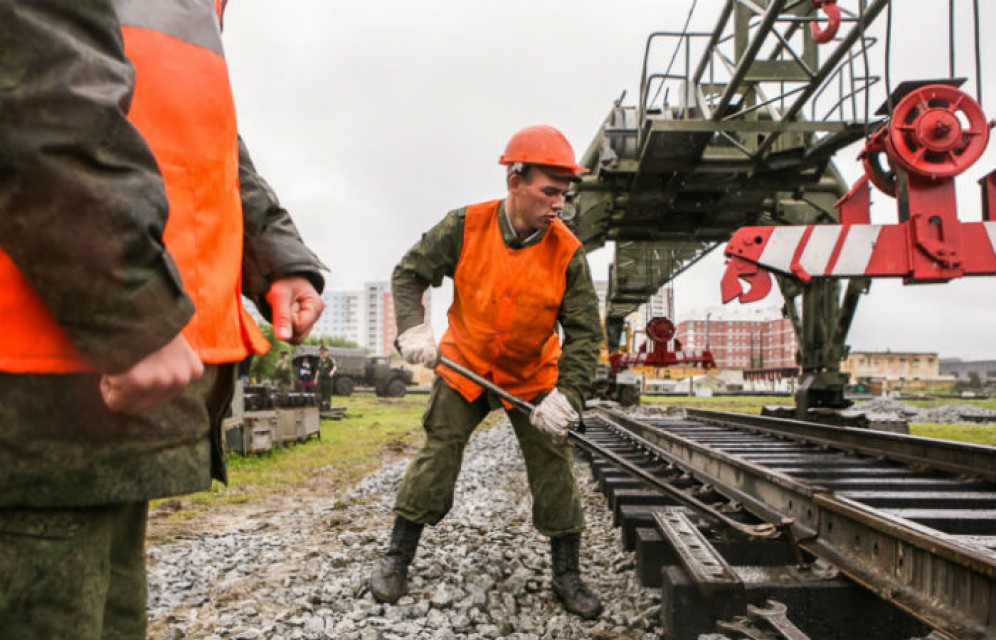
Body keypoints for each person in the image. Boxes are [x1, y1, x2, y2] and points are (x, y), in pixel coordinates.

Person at [0, 2, 325, 639]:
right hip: (41, 371)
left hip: (113, 373)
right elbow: (38, 96)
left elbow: (197, 131)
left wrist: (277, 258)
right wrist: (128, 305)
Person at [369, 125, 604, 618]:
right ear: (514, 181)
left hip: (532, 377)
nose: (558, 204)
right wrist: (413, 328)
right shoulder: (465, 226)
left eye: (563, 194)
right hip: (464, 367)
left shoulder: (567, 254)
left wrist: (568, 398)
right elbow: (409, 274)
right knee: (439, 452)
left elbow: (585, 335)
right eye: (548, 192)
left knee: (553, 465)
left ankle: (568, 574)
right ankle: (397, 556)